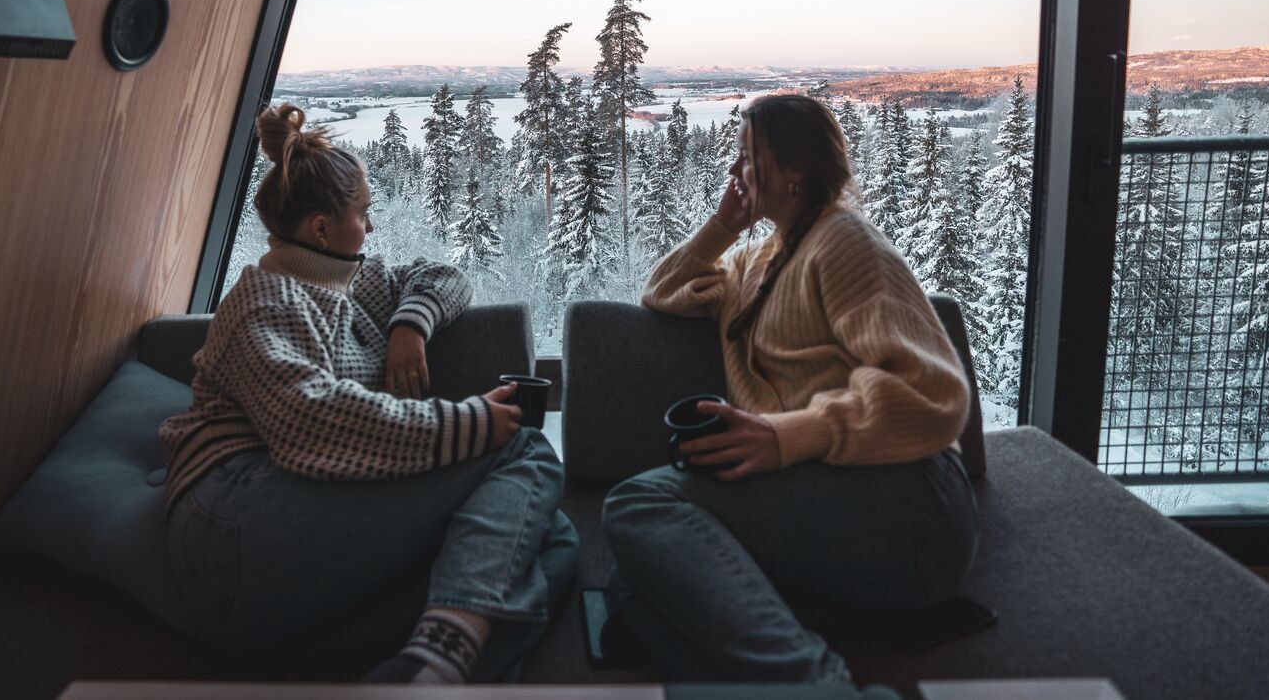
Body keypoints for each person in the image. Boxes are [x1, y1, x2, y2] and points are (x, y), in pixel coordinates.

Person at [160, 104, 575, 683]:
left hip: (301, 514)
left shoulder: (359, 283)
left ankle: (413, 668)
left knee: (555, 541)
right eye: (363, 213)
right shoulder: (265, 301)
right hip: (232, 521)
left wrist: (410, 326)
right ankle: (442, 662)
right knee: (521, 455)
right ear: (321, 228)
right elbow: (309, 423)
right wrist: (471, 423)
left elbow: (447, 276)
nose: (372, 227)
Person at [602, 93, 976, 686]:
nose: (734, 172)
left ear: (796, 170)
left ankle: (822, 690)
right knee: (638, 584)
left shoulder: (844, 243)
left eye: (748, 157)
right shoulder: (759, 260)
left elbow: (931, 393)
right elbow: (662, 290)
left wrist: (786, 437)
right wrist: (724, 225)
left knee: (638, 505)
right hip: (827, 497)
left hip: (913, 503)